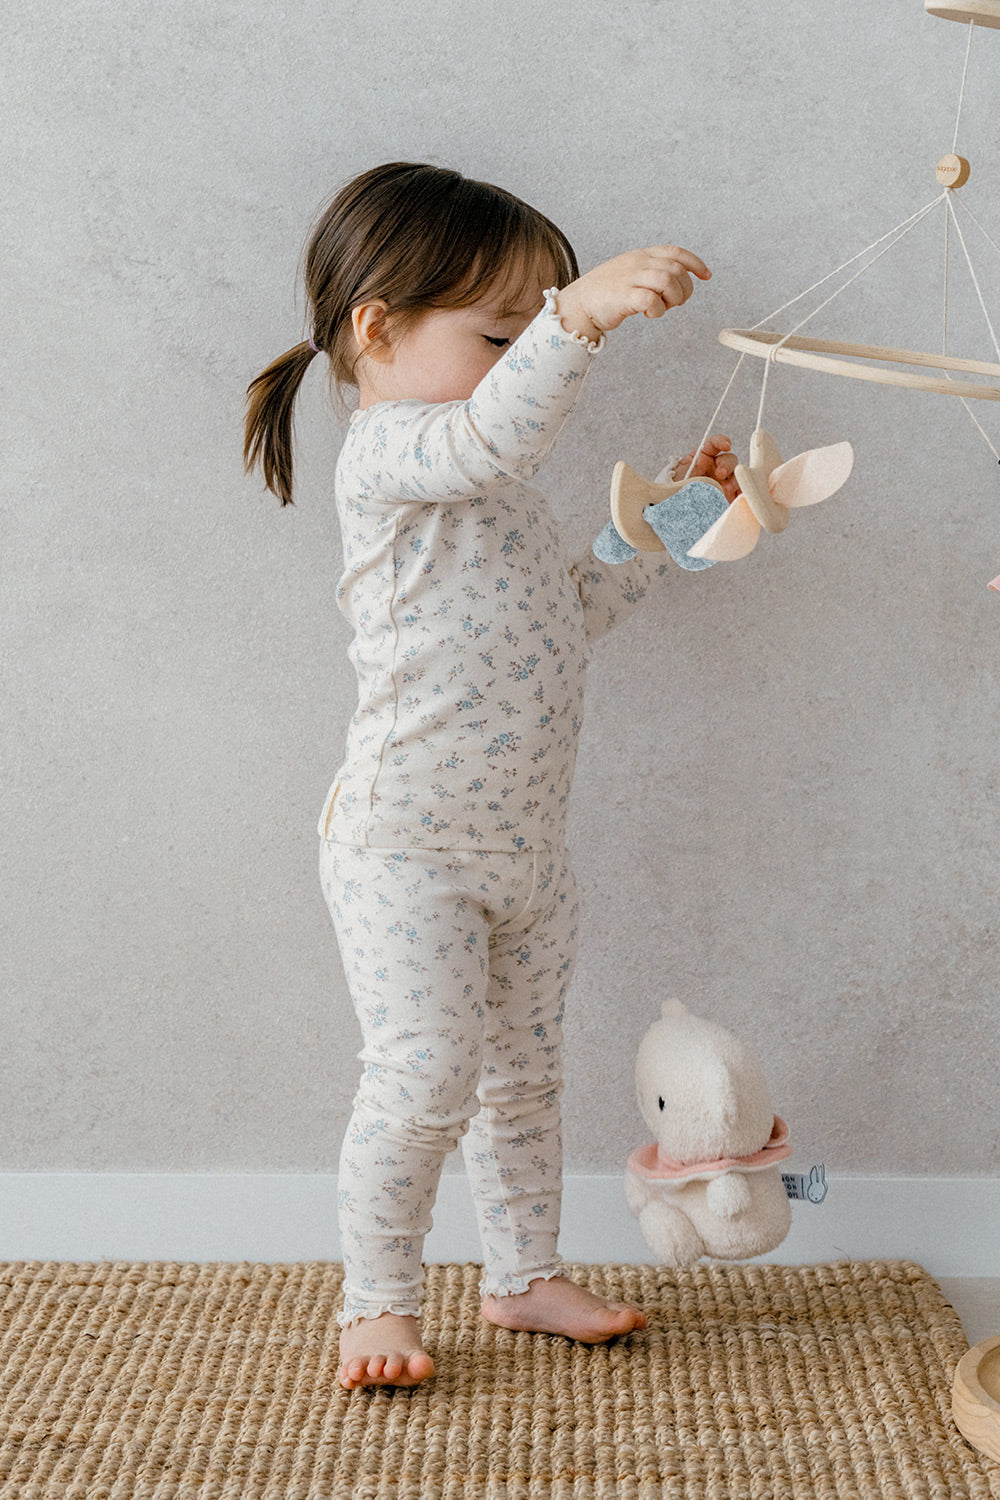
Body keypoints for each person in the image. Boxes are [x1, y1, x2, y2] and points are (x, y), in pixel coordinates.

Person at [244, 162, 738, 1390]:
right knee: (421, 1076)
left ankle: (520, 1277)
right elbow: (489, 428)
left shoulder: (492, 491)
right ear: (378, 329)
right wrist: (577, 322)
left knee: (524, 1077)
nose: (525, 356)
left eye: (534, 328)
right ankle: (377, 1303)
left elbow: (573, 610)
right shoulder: (394, 453)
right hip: (404, 845)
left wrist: (676, 516)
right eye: (501, 333)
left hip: (525, 851)